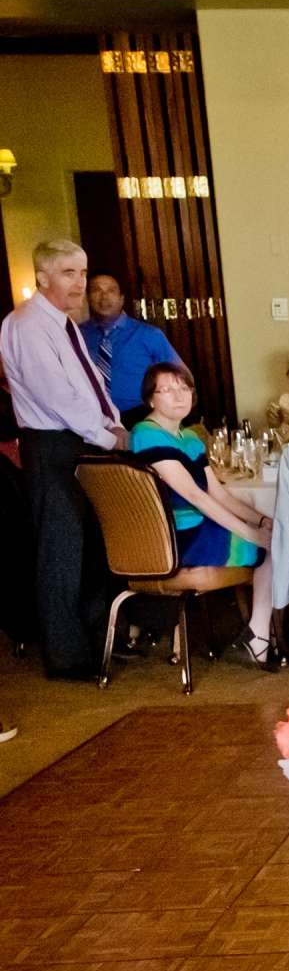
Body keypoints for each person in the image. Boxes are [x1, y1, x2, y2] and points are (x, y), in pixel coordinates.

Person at [0, 239, 124, 680]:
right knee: (61, 551)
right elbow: (57, 396)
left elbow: (88, 385)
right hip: (54, 445)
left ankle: (94, 639)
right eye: (69, 273)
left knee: (91, 545)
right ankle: (66, 655)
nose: (80, 283)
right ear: (42, 277)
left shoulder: (65, 325)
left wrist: (112, 422)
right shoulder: (28, 325)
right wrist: (109, 438)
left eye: (83, 273)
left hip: (80, 441)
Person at [128, 363, 278, 666]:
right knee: (273, 545)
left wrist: (261, 520)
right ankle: (259, 634)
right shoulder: (146, 434)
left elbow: (218, 493)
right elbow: (194, 496)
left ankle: (259, 633)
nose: (179, 395)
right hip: (177, 536)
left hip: (197, 526)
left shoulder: (189, 438)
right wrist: (252, 534)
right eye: (167, 389)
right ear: (150, 400)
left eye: (184, 388)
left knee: (276, 535)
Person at [79, 273, 179, 415]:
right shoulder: (78, 335)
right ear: (88, 298)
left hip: (139, 415)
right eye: (96, 290)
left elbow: (180, 375)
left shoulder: (149, 335)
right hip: (92, 418)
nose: (104, 297)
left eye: (111, 291)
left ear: (121, 299)